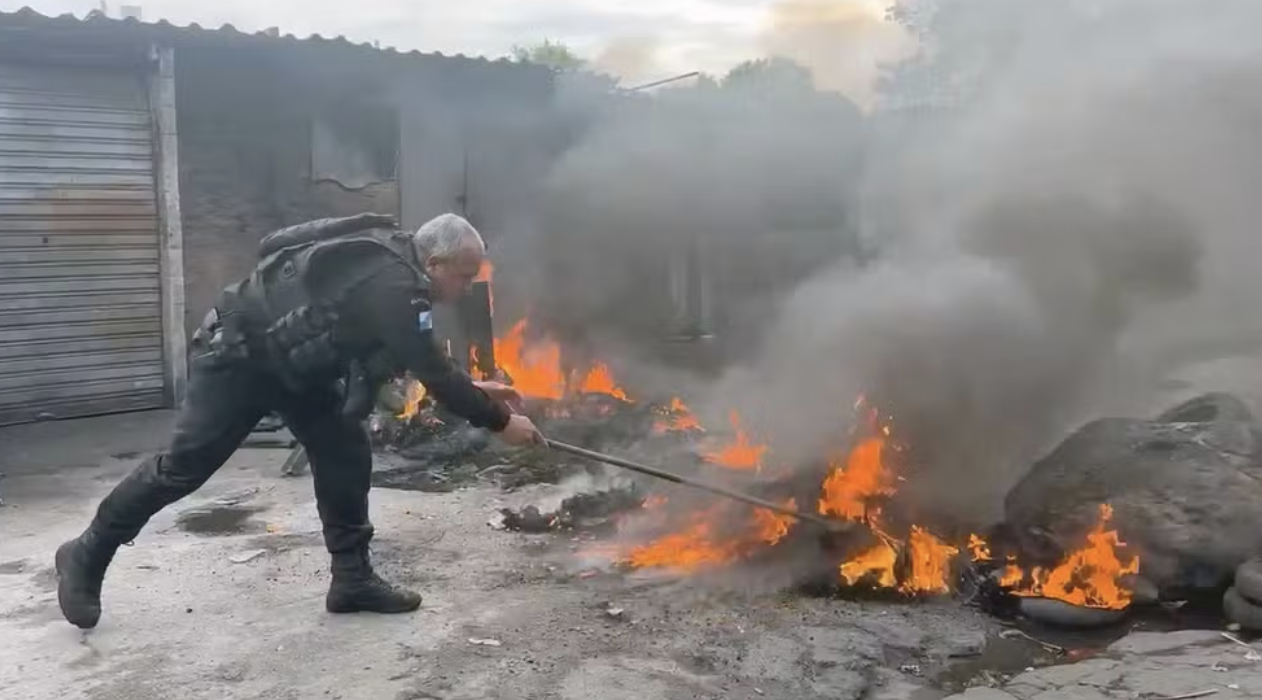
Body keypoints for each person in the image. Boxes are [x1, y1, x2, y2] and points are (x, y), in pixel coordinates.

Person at [54, 212, 545, 629]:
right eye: (463, 276)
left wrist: (476, 390)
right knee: (185, 466)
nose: (464, 289)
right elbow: (430, 366)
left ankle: (352, 580)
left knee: (343, 450)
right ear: (434, 263)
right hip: (237, 360)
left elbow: (404, 356)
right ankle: (87, 552)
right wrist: (500, 421)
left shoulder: (393, 266)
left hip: (294, 370)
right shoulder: (393, 282)